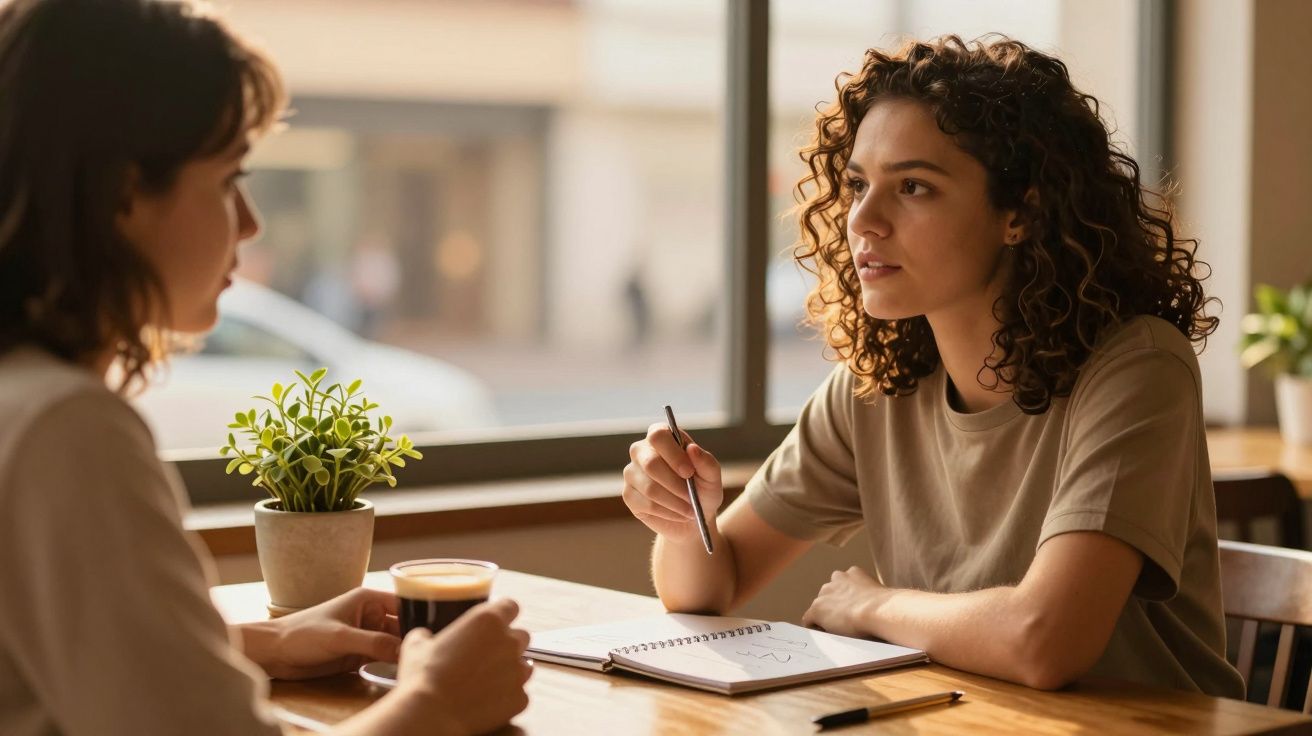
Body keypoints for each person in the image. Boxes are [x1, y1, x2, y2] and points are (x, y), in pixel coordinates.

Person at [622, 35, 1246, 698]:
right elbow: (712, 587)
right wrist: (686, 524)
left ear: (1021, 212)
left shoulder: (1138, 369)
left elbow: (1046, 640)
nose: (863, 220)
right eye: (858, 185)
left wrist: (872, 606)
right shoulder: (876, 387)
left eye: (913, 187)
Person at [0, 1, 530, 734]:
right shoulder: (65, 431)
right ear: (123, 193)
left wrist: (262, 641)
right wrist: (437, 704)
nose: (250, 224)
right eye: (227, 180)